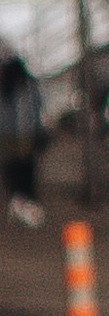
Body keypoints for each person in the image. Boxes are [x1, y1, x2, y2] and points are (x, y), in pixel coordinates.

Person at [0, 50, 46, 227]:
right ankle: (25, 207)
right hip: (23, 136)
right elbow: (37, 107)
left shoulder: (12, 87)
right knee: (23, 173)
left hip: (15, 137)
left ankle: (22, 206)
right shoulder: (28, 85)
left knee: (17, 173)